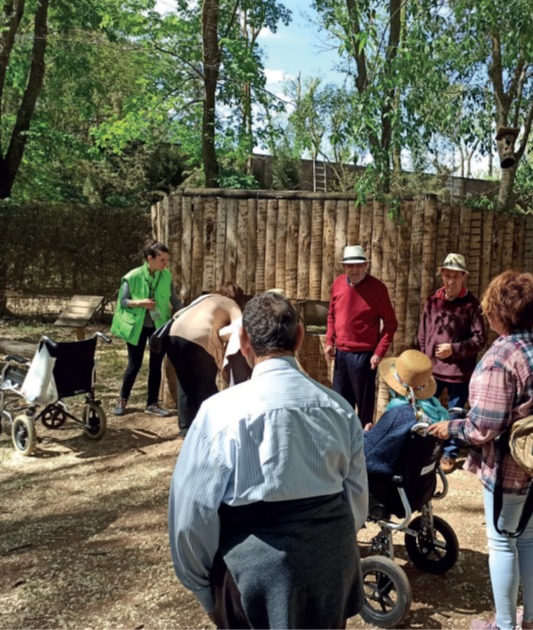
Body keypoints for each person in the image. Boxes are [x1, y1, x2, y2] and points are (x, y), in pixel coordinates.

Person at [168, 292, 367, 630]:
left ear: (243, 339)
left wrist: (204, 589)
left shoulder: (218, 414)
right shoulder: (340, 409)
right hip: (330, 567)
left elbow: (191, 516)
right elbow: (356, 501)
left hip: (251, 577)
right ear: (300, 338)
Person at [429, 271, 533, 630]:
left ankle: (504, 625)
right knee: (531, 539)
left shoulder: (501, 355)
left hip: (510, 467)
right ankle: (531, 621)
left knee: (503, 544)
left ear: (499, 311)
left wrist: (449, 427)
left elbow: (483, 426)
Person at [417, 253, 487, 474]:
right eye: (447, 276)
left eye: (455, 276)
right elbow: (423, 333)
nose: (450, 281)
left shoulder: (471, 305)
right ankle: (426, 450)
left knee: (455, 412)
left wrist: (454, 350)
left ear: (464, 276)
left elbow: (480, 339)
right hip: (432, 371)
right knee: (427, 410)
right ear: (442, 275)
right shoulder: (433, 301)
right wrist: (423, 360)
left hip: (460, 372)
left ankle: (450, 453)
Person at [325, 245, 398, 427]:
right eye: (350, 266)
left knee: (364, 410)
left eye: (358, 265)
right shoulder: (338, 283)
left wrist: (379, 352)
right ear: (344, 267)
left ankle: (364, 447)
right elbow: (332, 315)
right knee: (341, 406)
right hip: (341, 355)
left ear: (365, 265)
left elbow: (391, 324)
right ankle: (343, 447)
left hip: (364, 357)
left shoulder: (377, 288)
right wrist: (329, 341)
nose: (354, 269)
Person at [111, 239, 183, 417]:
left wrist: (185, 313)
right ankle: (123, 399)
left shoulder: (165, 275)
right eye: (162, 260)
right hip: (137, 327)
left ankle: (152, 403)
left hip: (159, 326)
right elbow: (122, 301)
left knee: (156, 365)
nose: (165, 264)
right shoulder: (132, 276)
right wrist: (139, 303)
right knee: (134, 365)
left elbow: (174, 299)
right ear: (150, 258)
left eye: (167, 260)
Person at [165, 283, 245, 437]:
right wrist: (221, 334)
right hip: (199, 340)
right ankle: (212, 426)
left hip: (172, 337)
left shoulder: (203, 298)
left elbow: (178, 314)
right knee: (205, 384)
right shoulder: (230, 303)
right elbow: (239, 325)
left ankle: (186, 429)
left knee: (185, 384)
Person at [363, 349, 449, 477]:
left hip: (387, 485)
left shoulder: (399, 414)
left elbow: (367, 453)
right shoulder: (435, 408)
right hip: (419, 482)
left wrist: (366, 434)